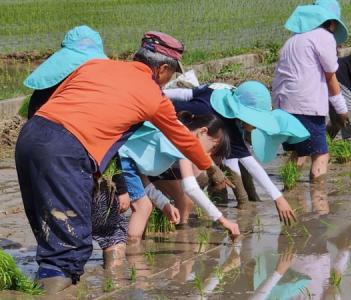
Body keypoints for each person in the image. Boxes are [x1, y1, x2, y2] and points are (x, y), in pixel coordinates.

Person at [15, 30, 222, 294]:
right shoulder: (153, 96)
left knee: (51, 234)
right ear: (162, 69)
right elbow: (185, 140)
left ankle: (44, 284)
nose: (170, 80)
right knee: (68, 250)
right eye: (173, 74)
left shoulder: (97, 67)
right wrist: (212, 170)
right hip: (67, 149)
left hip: (30, 137)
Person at [93, 112, 240, 268]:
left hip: (122, 160)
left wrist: (164, 203)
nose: (209, 154)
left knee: (144, 206)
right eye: (213, 146)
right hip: (117, 159)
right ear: (202, 131)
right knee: (143, 207)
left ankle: (130, 257)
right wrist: (222, 219)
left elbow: (142, 178)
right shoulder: (182, 139)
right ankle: (133, 258)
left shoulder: (178, 133)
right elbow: (190, 188)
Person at [164, 81, 310, 226]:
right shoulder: (208, 107)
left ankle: (181, 215)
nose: (254, 126)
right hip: (165, 137)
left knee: (197, 183)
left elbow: (246, 161)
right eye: (254, 120)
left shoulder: (230, 117)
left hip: (182, 147)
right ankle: (179, 220)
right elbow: (182, 97)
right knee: (195, 182)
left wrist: (277, 198)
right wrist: (157, 94)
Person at [272, 0, 349, 180]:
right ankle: (320, 203)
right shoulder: (323, 36)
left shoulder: (294, 39)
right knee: (320, 153)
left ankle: (290, 191)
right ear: (330, 21)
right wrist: (341, 109)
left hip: (284, 104)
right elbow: (331, 76)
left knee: (300, 151)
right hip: (306, 104)